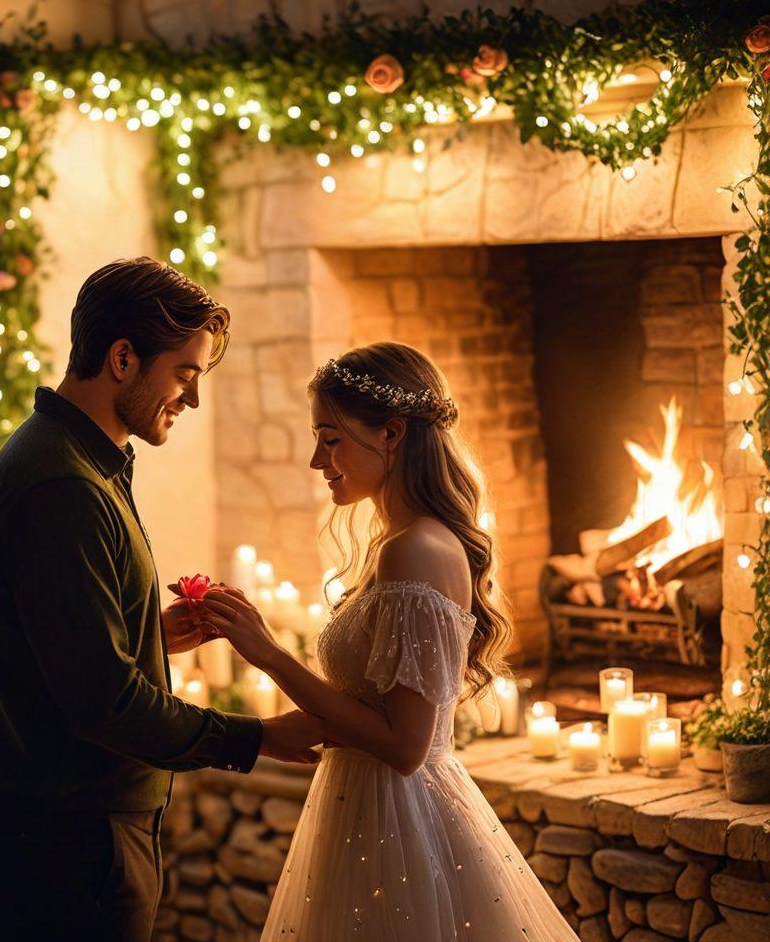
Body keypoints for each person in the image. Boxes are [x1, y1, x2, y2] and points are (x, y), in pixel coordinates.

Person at [0, 257, 324, 942]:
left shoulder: (80, 462)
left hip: (74, 830)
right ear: (123, 358)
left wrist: (145, 635)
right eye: (185, 373)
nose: (192, 399)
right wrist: (258, 738)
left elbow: (62, 657)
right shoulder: (63, 488)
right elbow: (104, 705)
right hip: (69, 846)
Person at [197, 342, 581, 941]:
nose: (316, 460)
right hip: (366, 806)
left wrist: (269, 656)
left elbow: (405, 746)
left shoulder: (415, 549)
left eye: (330, 438)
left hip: (399, 820)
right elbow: (375, 709)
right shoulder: (403, 542)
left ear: (393, 433)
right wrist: (312, 723)